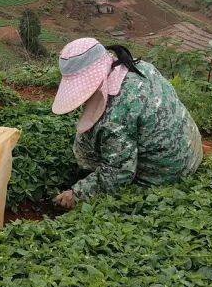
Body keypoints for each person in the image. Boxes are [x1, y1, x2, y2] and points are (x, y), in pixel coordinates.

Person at [50, 37, 203, 208]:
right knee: (87, 135)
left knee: (100, 147)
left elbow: (119, 172)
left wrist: (78, 193)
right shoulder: (138, 66)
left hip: (166, 172)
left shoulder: (117, 115)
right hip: (191, 151)